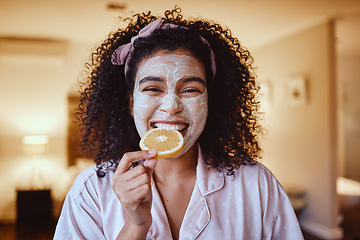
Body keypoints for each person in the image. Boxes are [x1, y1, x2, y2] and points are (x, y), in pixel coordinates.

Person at [54, 7, 304, 240]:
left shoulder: (257, 185)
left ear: (209, 103)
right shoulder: (91, 190)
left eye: (191, 89)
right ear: (131, 104)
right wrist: (135, 226)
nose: (171, 106)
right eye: (153, 88)